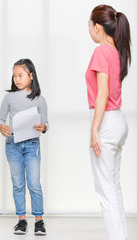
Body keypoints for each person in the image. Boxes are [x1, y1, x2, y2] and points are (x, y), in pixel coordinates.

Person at [86, 4, 131, 240]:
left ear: (98, 26)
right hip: (117, 121)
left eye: (89, 25)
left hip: (107, 122)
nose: (88, 29)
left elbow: (102, 93)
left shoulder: (102, 51)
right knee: (113, 187)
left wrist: (94, 129)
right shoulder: (116, 51)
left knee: (106, 191)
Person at [0, 59, 48, 235]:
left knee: (34, 183)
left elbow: (45, 123)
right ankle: (21, 220)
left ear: (31, 76)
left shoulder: (40, 100)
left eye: (21, 75)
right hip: (13, 145)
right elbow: (0, 120)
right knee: (18, 184)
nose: (17, 79)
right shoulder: (9, 97)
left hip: (32, 145)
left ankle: (39, 221)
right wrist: (1, 127)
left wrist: (43, 127)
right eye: (14, 75)